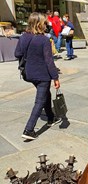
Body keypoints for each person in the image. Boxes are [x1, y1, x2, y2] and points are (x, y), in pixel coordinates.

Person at [14, 12, 61, 140]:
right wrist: (55, 77)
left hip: (29, 73)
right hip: (42, 75)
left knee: (46, 94)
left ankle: (51, 118)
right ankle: (29, 129)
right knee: (39, 101)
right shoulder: (44, 40)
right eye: (45, 23)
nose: (47, 25)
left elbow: (17, 53)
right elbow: (49, 61)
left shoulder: (23, 37)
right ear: (40, 24)